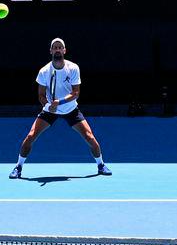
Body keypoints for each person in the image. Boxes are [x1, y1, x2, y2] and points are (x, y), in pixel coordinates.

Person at [9, 38, 112, 179]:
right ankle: (18, 167)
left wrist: (59, 102)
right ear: (51, 51)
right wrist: (48, 105)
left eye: (60, 47)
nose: (57, 50)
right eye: (55, 47)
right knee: (30, 136)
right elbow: (40, 95)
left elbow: (76, 93)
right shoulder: (44, 71)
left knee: (90, 137)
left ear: (64, 50)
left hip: (71, 110)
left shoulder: (73, 68)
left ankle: (101, 165)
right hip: (49, 111)